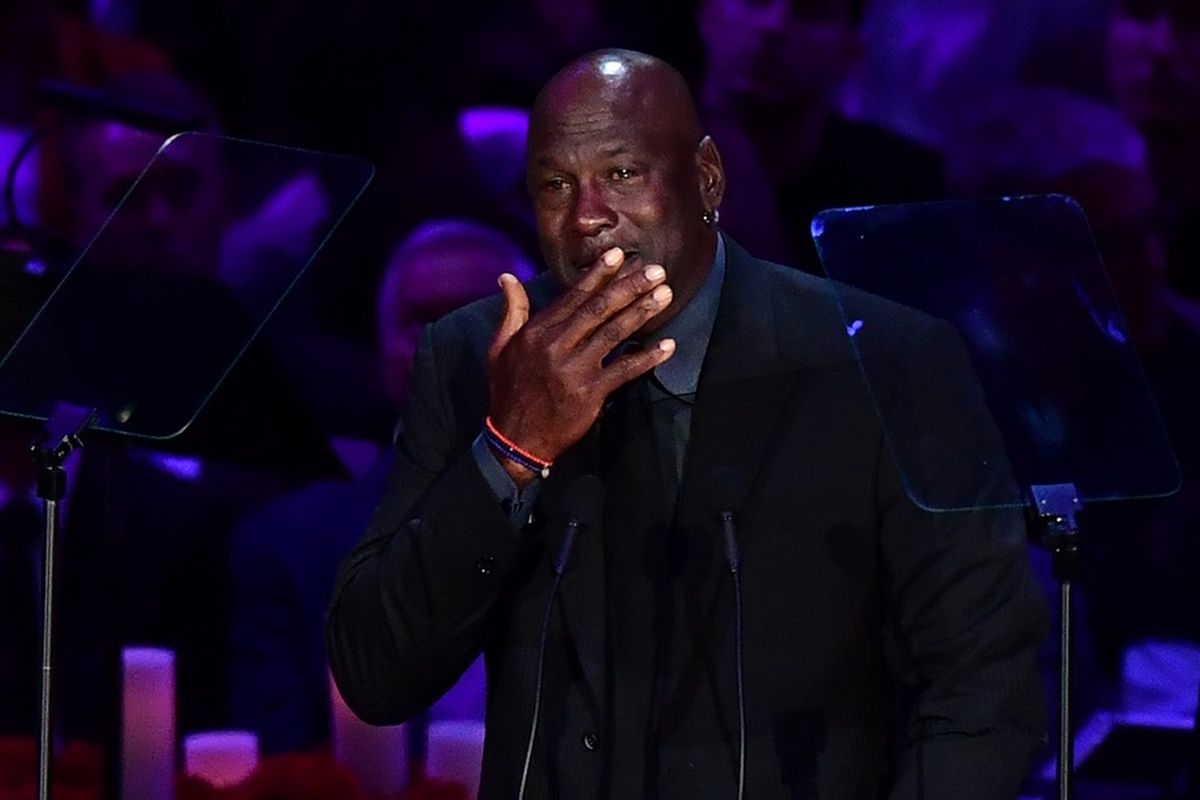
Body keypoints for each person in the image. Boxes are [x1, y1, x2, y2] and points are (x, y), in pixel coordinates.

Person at [327, 49, 1045, 799]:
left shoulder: (883, 363)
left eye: (623, 173)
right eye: (554, 185)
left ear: (707, 179)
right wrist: (513, 448)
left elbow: (982, 689)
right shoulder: (475, 356)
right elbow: (376, 675)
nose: (587, 215)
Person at [230, 219, 535, 755]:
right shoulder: (284, 548)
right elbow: (285, 768)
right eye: (424, 321)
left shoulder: (621, 516)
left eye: (484, 314)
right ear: (382, 353)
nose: (452, 341)